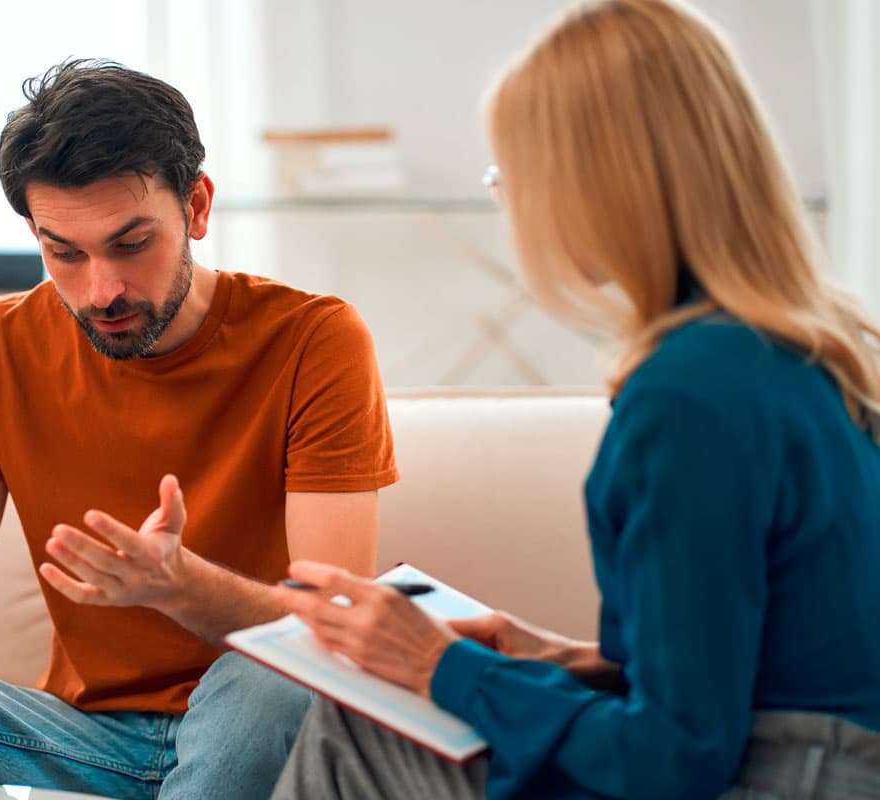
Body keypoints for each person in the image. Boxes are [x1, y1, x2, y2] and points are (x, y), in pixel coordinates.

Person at [268, 1, 880, 798]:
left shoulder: (687, 396)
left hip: (781, 778)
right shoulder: (817, 355)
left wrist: (437, 664)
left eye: (513, 172)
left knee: (357, 721)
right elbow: (749, 664)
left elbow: (675, 757)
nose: (512, 202)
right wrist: (556, 658)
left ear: (598, 183)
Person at [0, 60, 398, 800]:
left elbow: (331, 630)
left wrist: (180, 586)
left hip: (258, 715)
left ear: (196, 208)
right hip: (81, 738)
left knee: (275, 673)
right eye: (63, 253)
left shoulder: (313, 338)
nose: (100, 291)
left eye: (131, 244)